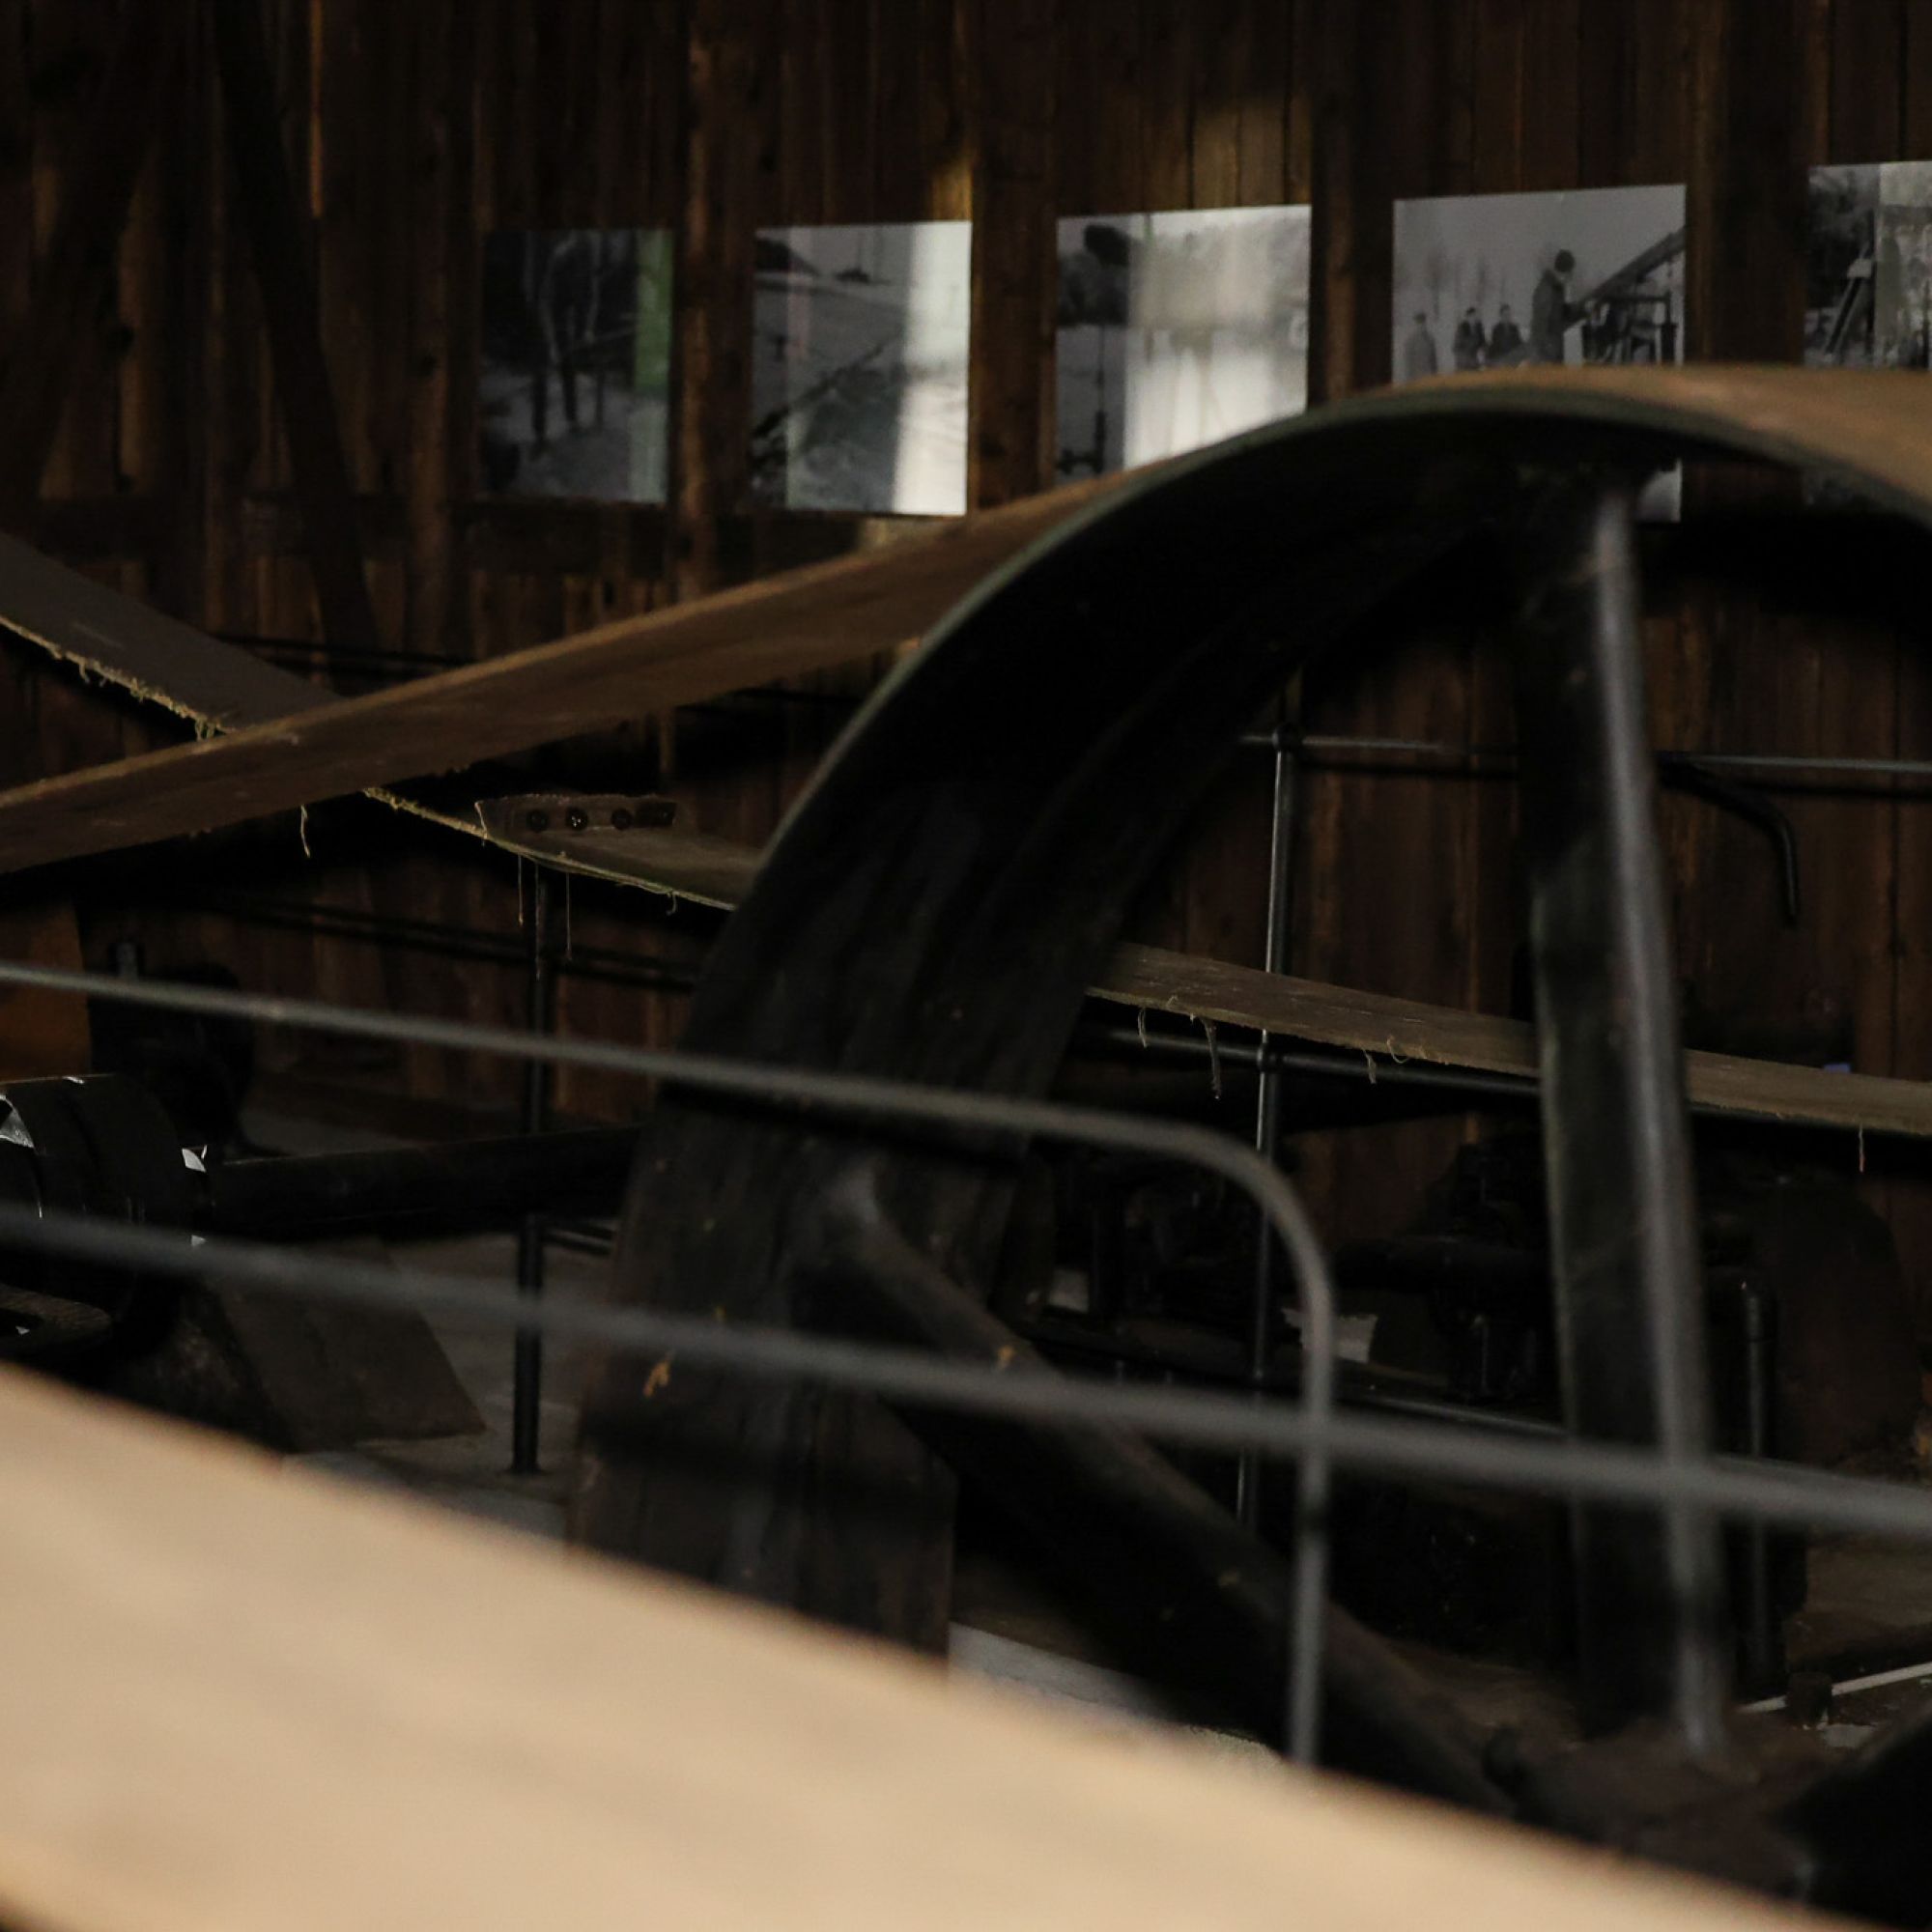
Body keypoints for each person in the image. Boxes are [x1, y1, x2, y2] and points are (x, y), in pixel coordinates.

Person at [1530, 248, 1577, 363]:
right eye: (1570, 273)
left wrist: (1581, 311)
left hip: (1553, 349)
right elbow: (1540, 321)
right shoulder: (1547, 289)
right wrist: (1545, 350)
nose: (1571, 278)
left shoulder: (1557, 289)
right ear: (1565, 272)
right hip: (1547, 354)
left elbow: (1562, 317)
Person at [1401, 311, 1438, 382]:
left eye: (1423, 322)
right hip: (1416, 376)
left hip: (1429, 376)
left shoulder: (1430, 338)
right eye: (1419, 323)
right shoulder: (1411, 340)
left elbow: (1433, 360)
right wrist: (1409, 378)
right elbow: (1408, 361)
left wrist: (1435, 375)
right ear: (1416, 324)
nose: (1422, 325)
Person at [1451, 306, 1487, 371]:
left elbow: (1484, 345)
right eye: (1472, 316)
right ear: (1467, 317)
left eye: (1476, 317)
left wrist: (1482, 351)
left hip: (1476, 363)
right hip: (1464, 363)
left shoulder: (1479, 329)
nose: (1474, 319)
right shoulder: (1461, 329)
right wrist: (1466, 358)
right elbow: (1456, 348)